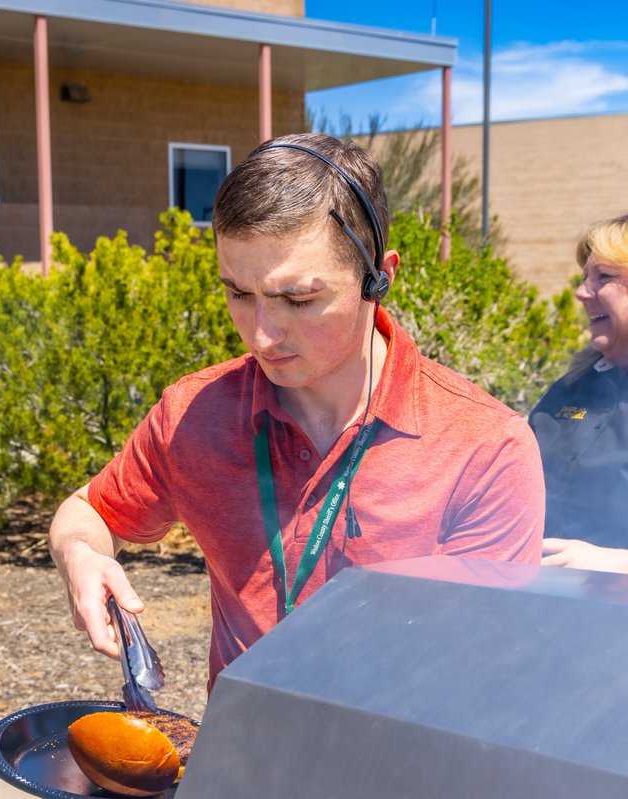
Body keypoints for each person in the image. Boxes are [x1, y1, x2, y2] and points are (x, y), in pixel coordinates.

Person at [48, 133, 546, 693]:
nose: (261, 334)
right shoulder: (193, 414)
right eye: (238, 292)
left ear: (377, 277)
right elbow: (90, 510)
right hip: (241, 761)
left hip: (408, 765)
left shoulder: (484, 445)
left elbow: (480, 665)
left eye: (299, 299)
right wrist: (79, 553)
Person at [529, 213, 628, 575]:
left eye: (604, 277)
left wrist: (613, 562)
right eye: (586, 276)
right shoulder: (568, 390)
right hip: (543, 609)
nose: (582, 291)